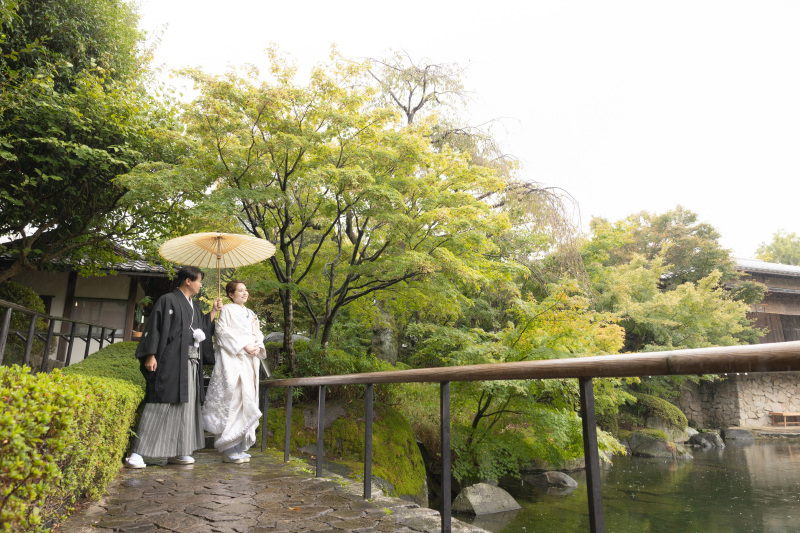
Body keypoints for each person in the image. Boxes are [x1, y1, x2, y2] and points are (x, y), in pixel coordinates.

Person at [124, 266, 222, 469]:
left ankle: (178, 451)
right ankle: (138, 452)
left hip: (190, 364)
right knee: (161, 402)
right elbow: (155, 328)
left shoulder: (193, 306)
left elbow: (202, 326)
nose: (200, 284)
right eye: (199, 280)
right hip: (170, 361)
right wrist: (151, 354)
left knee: (186, 408)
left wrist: (213, 311)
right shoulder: (168, 300)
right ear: (188, 280)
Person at [202, 280, 267, 464]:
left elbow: (258, 333)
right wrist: (244, 345)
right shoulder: (228, 310)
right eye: (240, 290)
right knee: (234, 399)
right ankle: (228, 447)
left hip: (249, 361)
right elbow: (221, 332)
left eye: (246, 290)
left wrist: (257, 346)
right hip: (234, 360)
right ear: (231, 294)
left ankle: (240, 446)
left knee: (248, 399)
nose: (245, 293)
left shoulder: (252, 313)